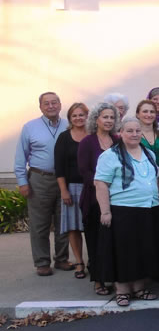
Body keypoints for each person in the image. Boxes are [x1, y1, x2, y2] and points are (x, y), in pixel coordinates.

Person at [94, 117, 159, 307]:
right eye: (129, 131)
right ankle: (122, 290)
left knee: (144, 251)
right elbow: (100, 184)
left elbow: (153, 180)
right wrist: (105, 212)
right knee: (124, 252)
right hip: (123, 210)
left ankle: (139, 288)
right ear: (120, 133)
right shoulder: (110, 156)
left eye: (138, 131)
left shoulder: (149, 153)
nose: (134, 134)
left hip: (149, 209)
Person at [15, 92, 69, 276]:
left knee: (64, 222)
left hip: (65, 180)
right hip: (39, 179)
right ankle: (42, 262)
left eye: (54, 102)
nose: (51, 106)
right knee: (40, 224)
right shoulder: (30, 127)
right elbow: (20, 156)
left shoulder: (68, 125)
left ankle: (62, 259)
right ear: (41, 107)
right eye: (46, 103)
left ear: (60, 105)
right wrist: (22, 182)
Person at [77, 102, 118, 293]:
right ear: (96, 119)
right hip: (93, 200)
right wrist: (102, 185)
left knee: (110, 241)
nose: (109, 120)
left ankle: (112, 276)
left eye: (112, 117)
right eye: (105, 117)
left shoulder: (118, 140)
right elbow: (84, 171)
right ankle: (98, 280)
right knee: (94, 240)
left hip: (116, 199)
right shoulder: (87, 142)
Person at [54, 102, 89, 279]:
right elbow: (59, 168)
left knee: (92, 226)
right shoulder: (64, 138)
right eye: (74, 115)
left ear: (87, 116)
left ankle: (94, 261)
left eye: (81, 114)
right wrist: (64, 191)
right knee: (74, 228)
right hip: (72, 188)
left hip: (92, 187)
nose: (78, 118)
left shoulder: (93, 136)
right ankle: (79, 262)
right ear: (70, 119)